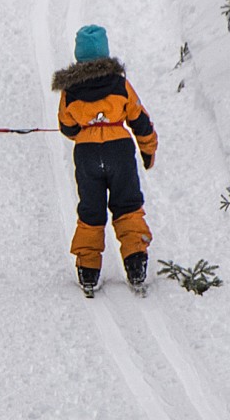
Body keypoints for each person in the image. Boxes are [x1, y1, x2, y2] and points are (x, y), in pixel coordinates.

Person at [51, 24, 158, 295]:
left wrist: (83, 129)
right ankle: (135, 262)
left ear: (79, 56)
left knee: (91, 209)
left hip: (87, 154)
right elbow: (139, 118)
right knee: (128, 204)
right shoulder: (119, 85)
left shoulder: (71, 90)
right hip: (119, 151)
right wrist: (148, 150)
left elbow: (66, 125)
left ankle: (88, 269)